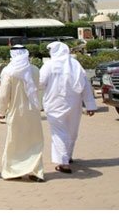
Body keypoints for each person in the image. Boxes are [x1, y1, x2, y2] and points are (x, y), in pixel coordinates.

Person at [39, 41, 96, 174]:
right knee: (71, 131)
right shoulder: (75, 65)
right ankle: (66, 156)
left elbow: (40, 83)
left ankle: (64, 162)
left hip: (55, 104)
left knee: (60, 132)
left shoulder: (49, 65)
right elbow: (86, 85)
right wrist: (90, 105)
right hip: (74, 104)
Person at [0, 45, 44, 182]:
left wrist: (1, 111)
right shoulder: (35, 70)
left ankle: (14, 171)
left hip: (16, 111)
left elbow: (4, 95)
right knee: (34, 141)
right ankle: (35, 172)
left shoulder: (8, 71)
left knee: (14, 142)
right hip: (33, 112)